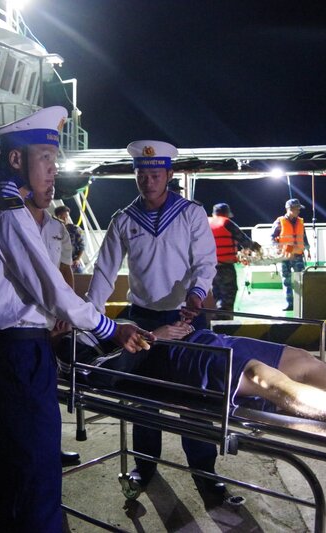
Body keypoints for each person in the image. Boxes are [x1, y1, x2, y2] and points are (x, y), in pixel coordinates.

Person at [0, 106, 148, 532]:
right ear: (17, 160)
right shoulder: (8, 210)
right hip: (18, 353)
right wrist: (110, 328)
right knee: (33, 469)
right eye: (45, 159)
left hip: (14, 349)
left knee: (4, 464)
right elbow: (54, 291)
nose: (53, 170)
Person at [56, 322, 326, 447]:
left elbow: (115, 332)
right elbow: (108, 373)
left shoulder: (83, 322)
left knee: (302, 362)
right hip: (172, 362)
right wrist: (153, 336)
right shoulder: (72, 354)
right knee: (266, 380)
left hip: (196, 341)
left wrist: (162, 329)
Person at [86, 140, 220, 492]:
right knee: (142, 399)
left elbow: (205, 262)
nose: (148, 181)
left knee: (195, 397)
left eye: (155, 174)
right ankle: (144, 467)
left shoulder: (191, 213)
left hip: (186, 317)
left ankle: (205, 474)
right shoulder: (123, 219)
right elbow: (104, 272)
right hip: (142, 319)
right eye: (141, 174)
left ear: (169, 175)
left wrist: (196, 293)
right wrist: (88, 317)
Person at [25, 182, 82, 467]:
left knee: (48, 392)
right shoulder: (15, 224)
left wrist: (67, 313)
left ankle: (50, 449)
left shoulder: (58, 229)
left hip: (53, 322)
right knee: (26, 396)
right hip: (25, 324)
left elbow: (65, 271)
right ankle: (30, 453)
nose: (51, 190)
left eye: (53, 186)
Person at [209, 202, 261, 318]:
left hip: (208, 268)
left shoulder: (206, 223)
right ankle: (224, 324)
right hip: (225, 268)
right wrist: (255, 247)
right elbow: (243, 240)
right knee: (228, 295)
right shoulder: (226, 223)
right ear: (226, 213)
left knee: (215, 294)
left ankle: (214, 321)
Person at [271, 198, 311, 311]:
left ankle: (302, 303)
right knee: (286, 280)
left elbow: (303, 236)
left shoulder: (300, 222)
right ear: (289, 209)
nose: (298, 211)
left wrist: (307, 248)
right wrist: (277, 249)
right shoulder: (279, 222)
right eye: (296, 209)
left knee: (302, 280)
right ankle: (290, 304)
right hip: (285, 256)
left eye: (299, 209)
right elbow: (272, 238)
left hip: (298, 255)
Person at [54, 205, 86, 274]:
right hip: (58, 262)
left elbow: (82, 246)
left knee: (81, 276)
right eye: (62, 217)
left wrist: (77, 260)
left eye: (67, 216)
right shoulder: (52, 229)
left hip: (73, 262)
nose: (65, 219)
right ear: (57, 217)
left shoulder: (75, 229)